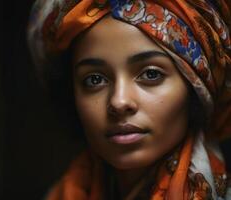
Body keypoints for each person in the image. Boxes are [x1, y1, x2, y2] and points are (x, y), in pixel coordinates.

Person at [28, 0, 231, 199]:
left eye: (151, 74)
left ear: (197, 87)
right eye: (95, 79)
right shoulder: (66, 192)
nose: (119, 101)